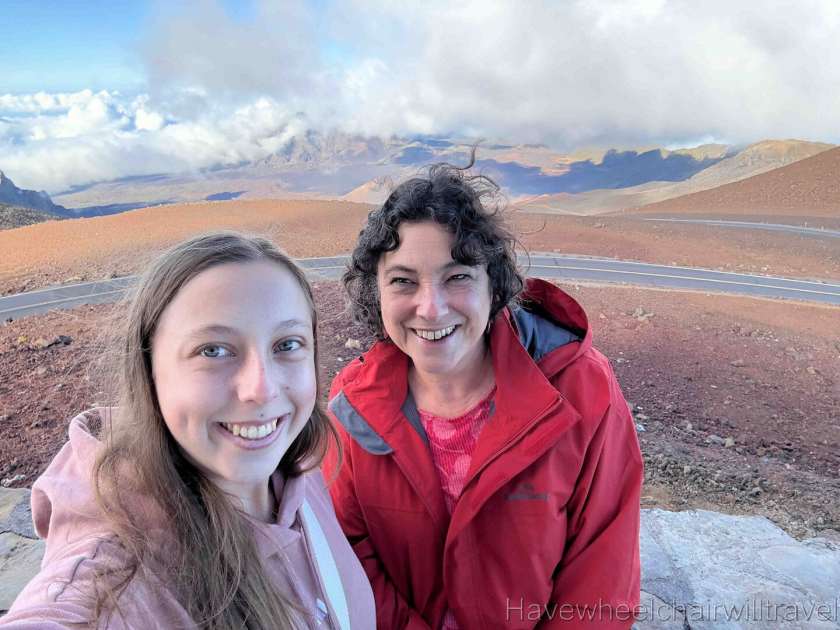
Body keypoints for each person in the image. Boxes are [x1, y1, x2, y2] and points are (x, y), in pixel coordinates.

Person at [323, 162, 643, 629]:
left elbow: (602, 571)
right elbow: (349, 554)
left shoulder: (580, 389)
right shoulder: (354, 403)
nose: (430, 308)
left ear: (494, 285)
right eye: (403, 281)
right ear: (376, 292)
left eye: (458, 277)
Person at [1, 232, 375, 629]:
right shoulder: (117, 580)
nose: (262, 390)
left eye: (286, 344)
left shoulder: (298, 468)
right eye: (212, 350)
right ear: (148, 372)